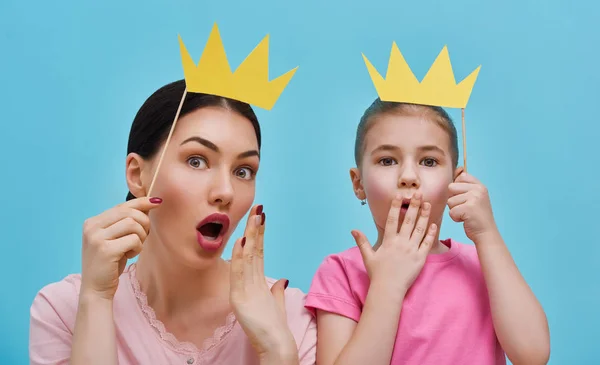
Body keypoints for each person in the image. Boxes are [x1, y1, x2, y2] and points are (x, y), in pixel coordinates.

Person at [29, 80, 316, 365]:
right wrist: (96, 300)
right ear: (137, 175)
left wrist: (277, 353)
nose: (226, 192)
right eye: (196, 161)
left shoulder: (288, 316)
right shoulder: (65, 310)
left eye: (243, 171)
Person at [304, 99, 550, 365]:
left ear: (455, 182)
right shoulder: (341, 273)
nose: (408, 176)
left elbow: (533, 355)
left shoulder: (483, 265)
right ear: (358, 183)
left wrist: (488, 235)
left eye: (429, 161)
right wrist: (388, 286)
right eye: (387, 160)